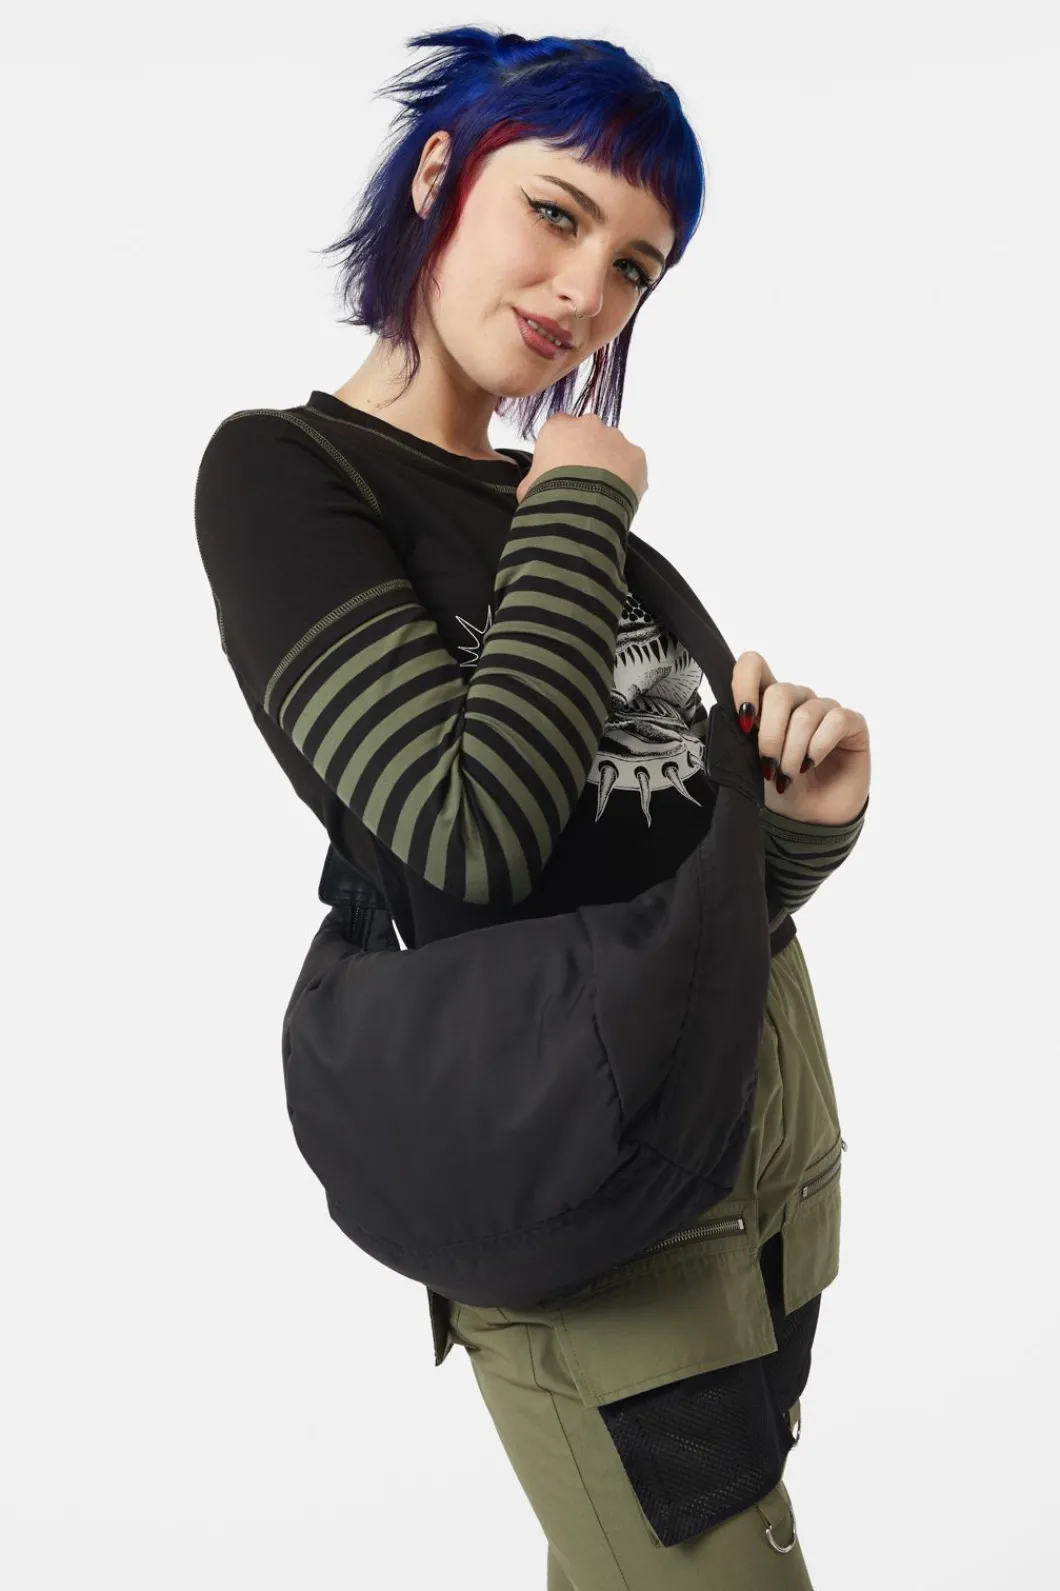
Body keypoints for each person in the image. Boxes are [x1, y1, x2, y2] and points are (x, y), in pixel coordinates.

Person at [193, 26, 871, 1589]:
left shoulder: (566, 504)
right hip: (585, 1175)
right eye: (556, 214)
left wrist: (802, 817)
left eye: (635, 267)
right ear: (442, 174)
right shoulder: (288, 480)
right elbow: (467, 841)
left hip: (761, 1129)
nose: (587, 293)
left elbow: (669, 890)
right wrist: (575, 494)